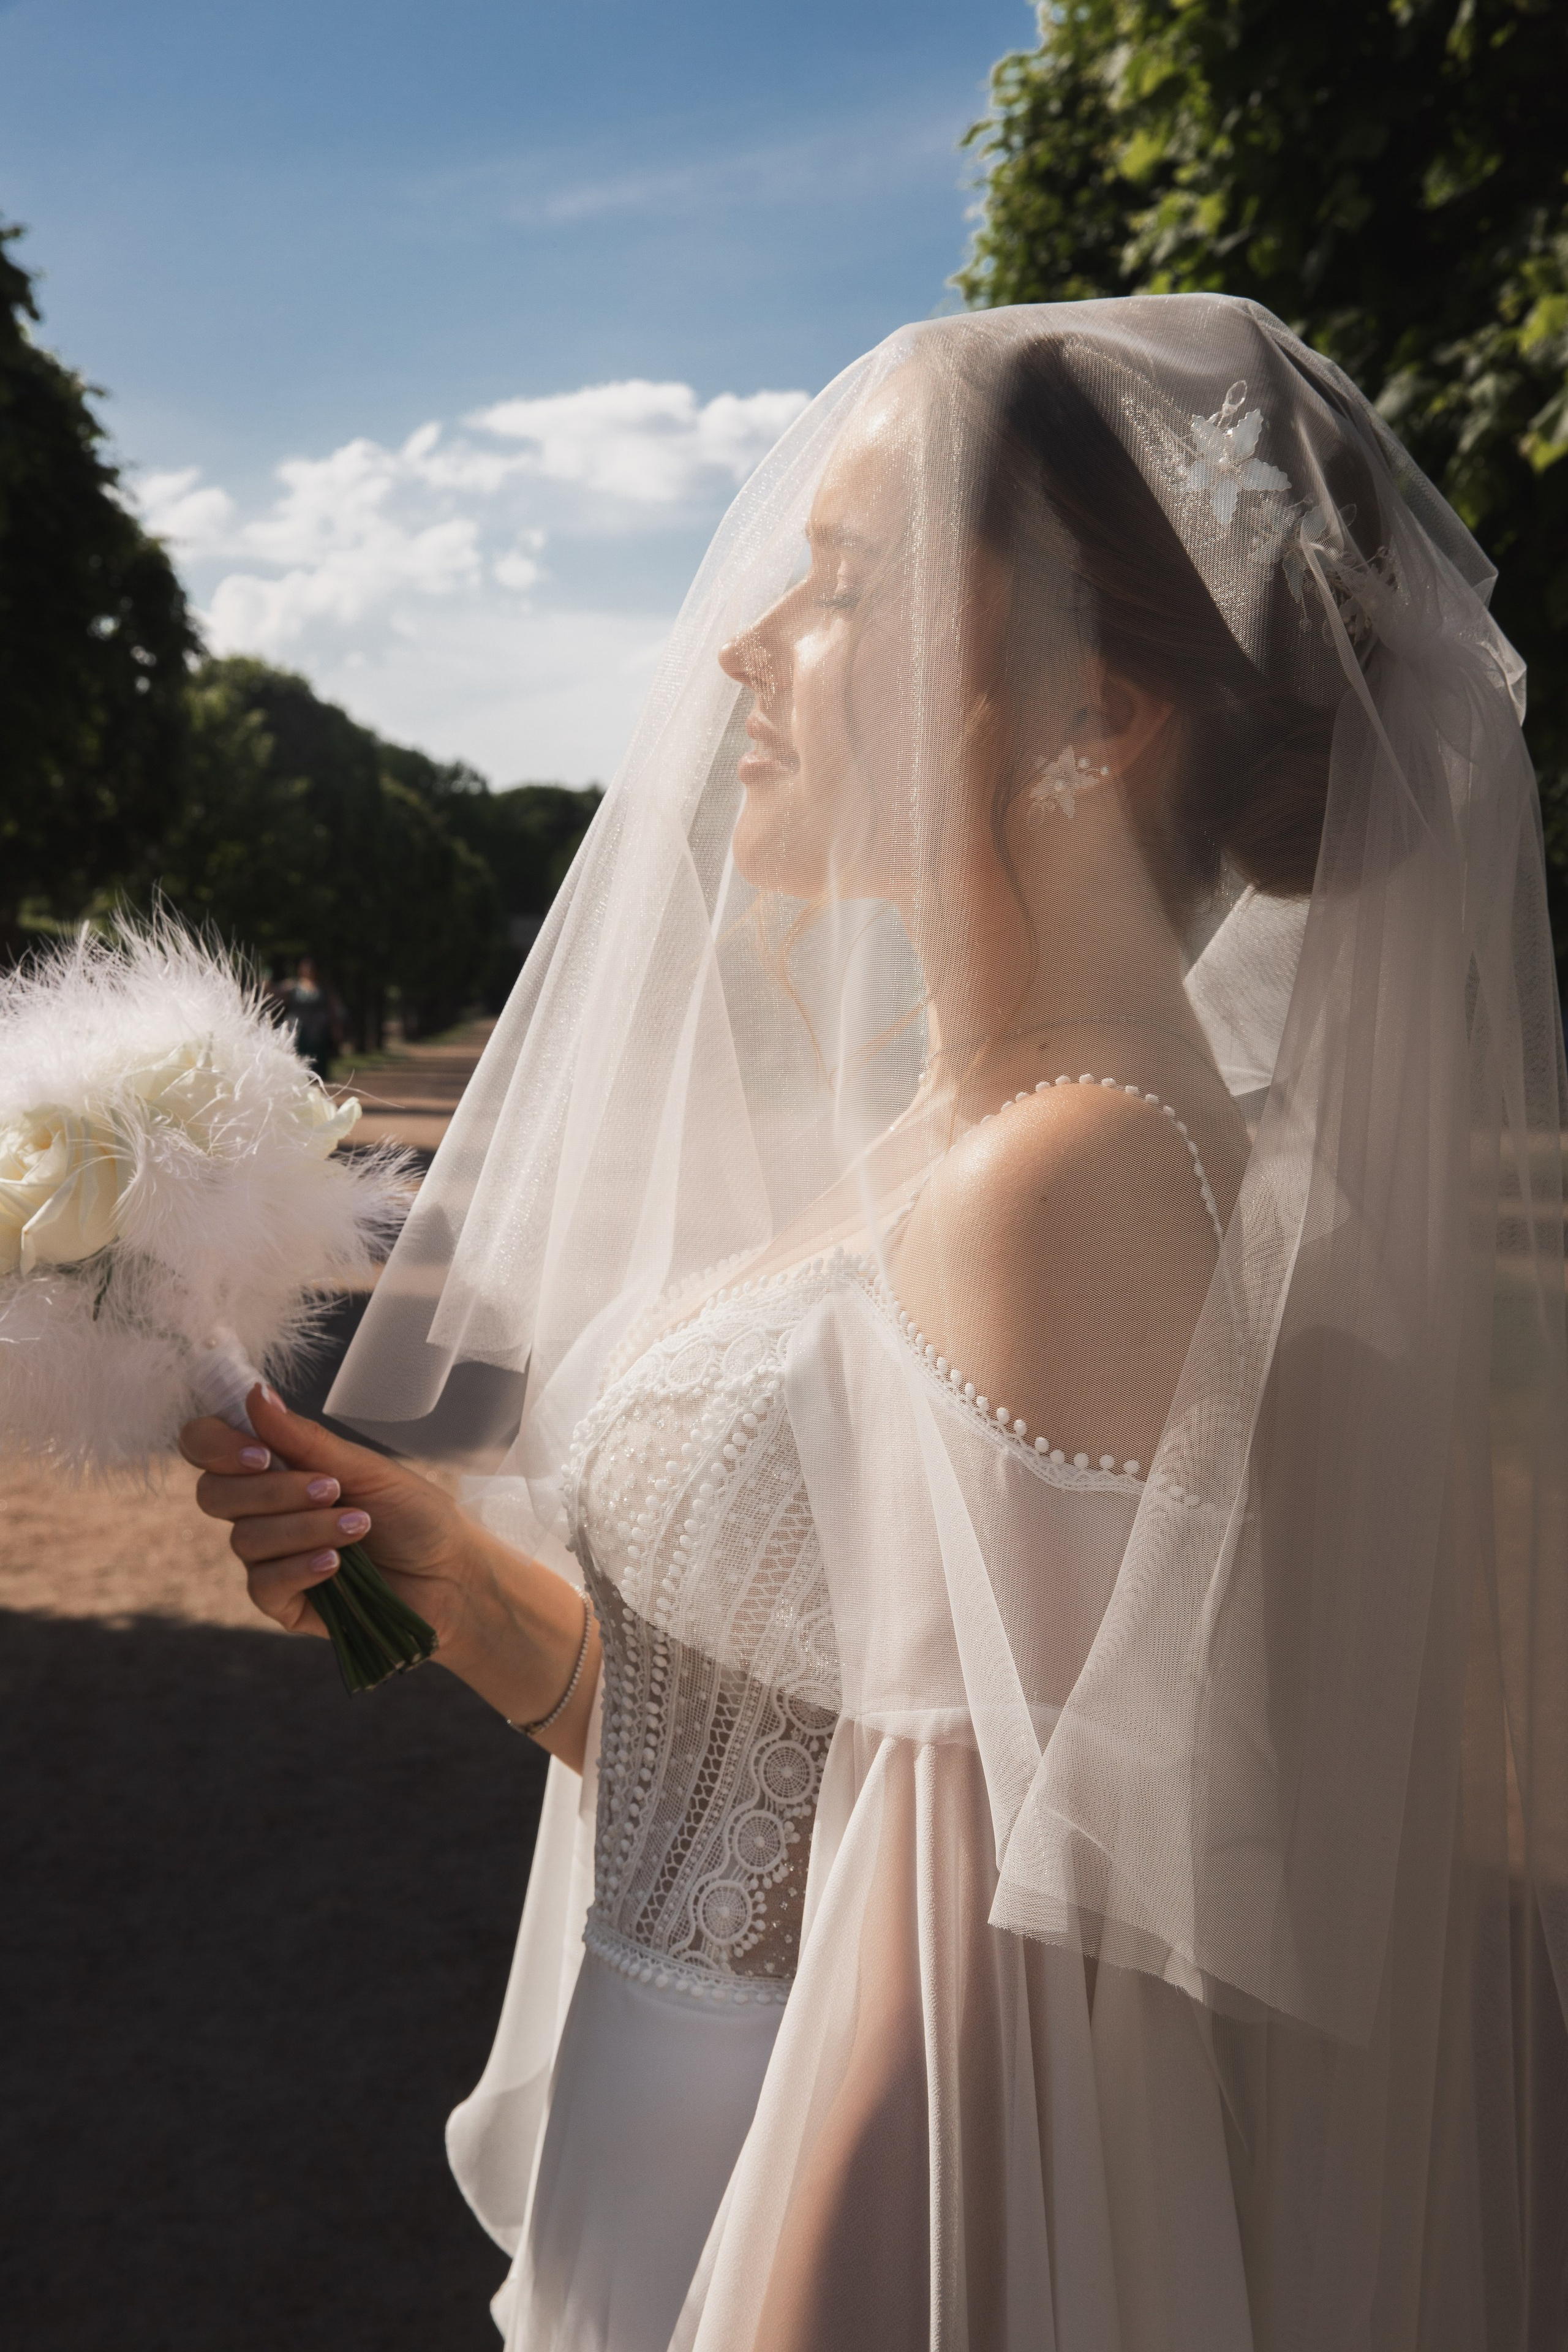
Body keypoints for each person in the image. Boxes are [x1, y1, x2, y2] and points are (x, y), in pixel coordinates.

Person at [181, 299, 1567, 2350]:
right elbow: (796, 1799)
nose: (744, 645)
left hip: (814, 2248)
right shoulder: (977, 1132)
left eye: (836, 587)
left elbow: (975, 2001)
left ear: (1093, 710)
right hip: (687, 2177)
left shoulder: (1069, 1178)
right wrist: (462, 1586)